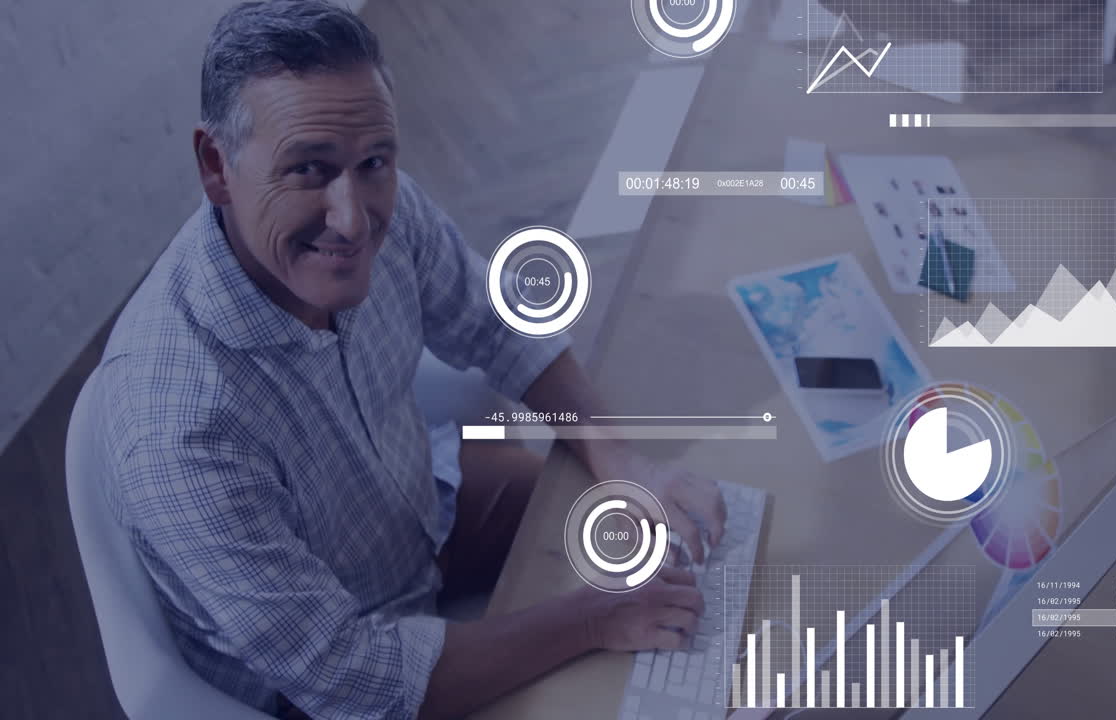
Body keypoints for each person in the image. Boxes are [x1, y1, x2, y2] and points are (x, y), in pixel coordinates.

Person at [96, 2, 726, 718]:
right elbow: (354, 679)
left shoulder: (358, 190)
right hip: (324, 681)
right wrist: (593, 619)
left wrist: (621, 459)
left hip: (420, 511)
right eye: (308, 170)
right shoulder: (177, 428)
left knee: (634, 527)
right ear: (217, 165)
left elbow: (499, 324)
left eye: (375, 163)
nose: (355, 217)